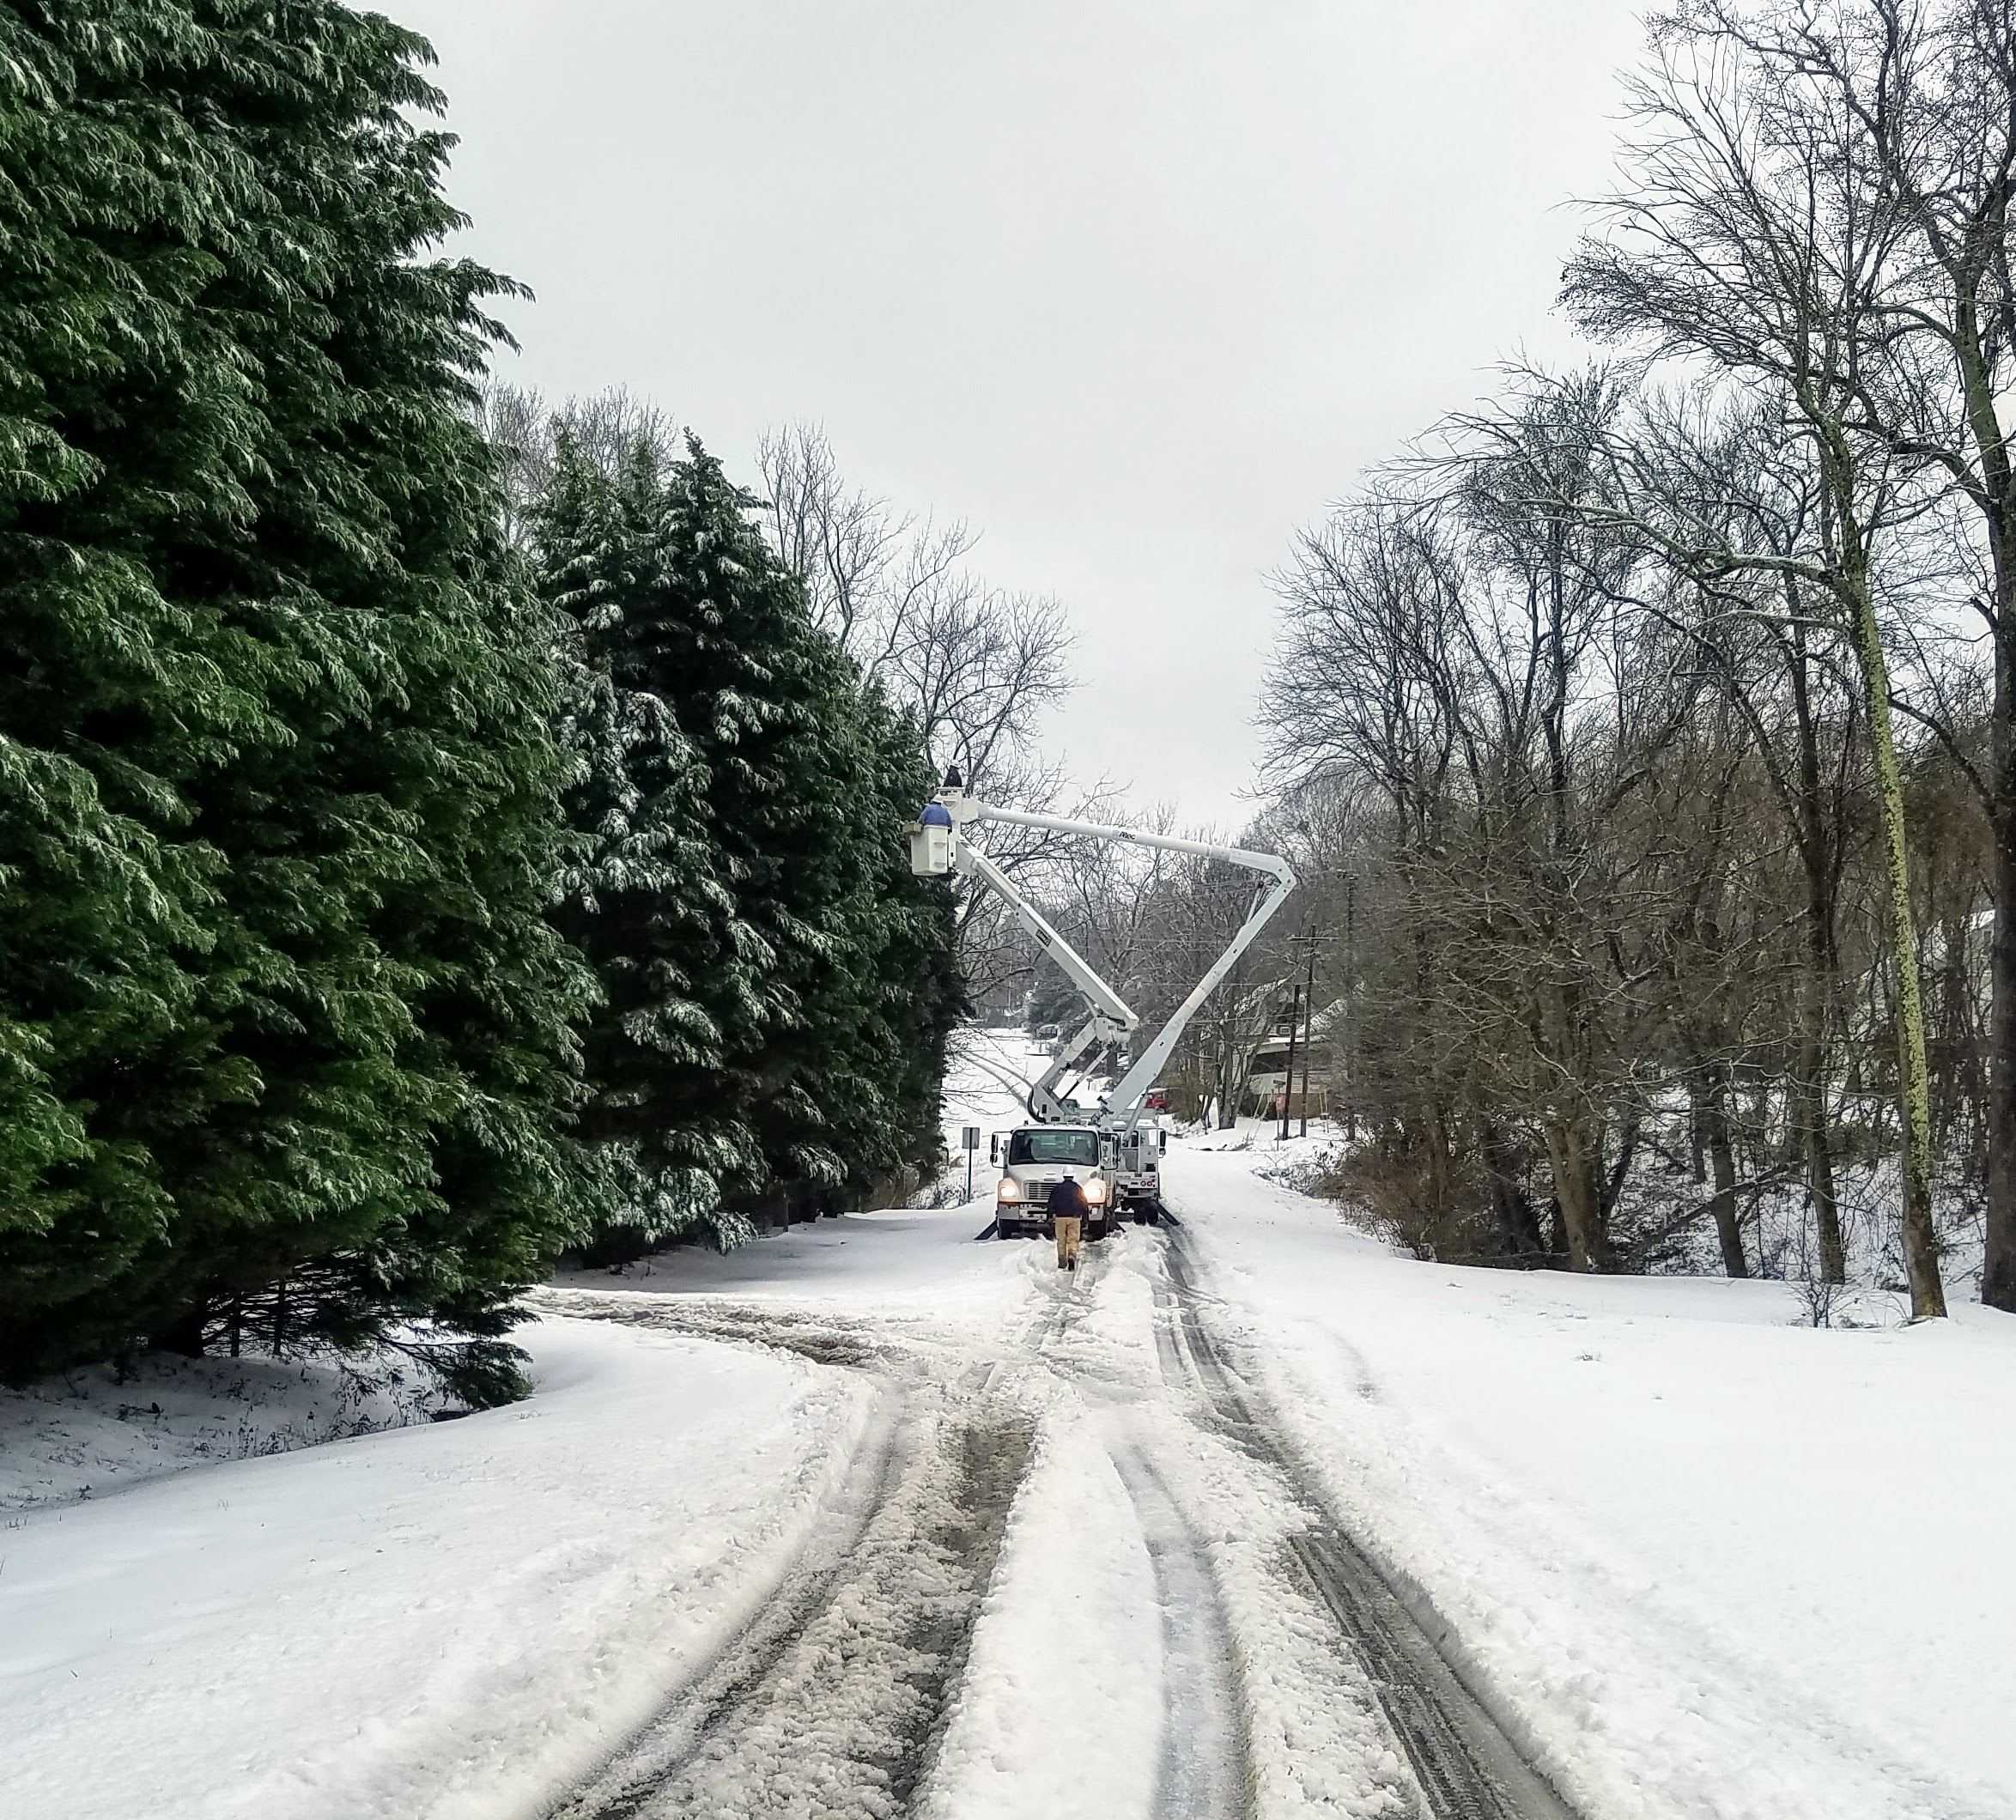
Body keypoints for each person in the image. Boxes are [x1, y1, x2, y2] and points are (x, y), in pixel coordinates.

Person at [1050, 1171, 1087, 1272]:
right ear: (1073, 1176)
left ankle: (1062, 1261)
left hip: (1060, 1217)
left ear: (1063, 1176)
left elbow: (1051, 1203)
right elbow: (1084, 1204)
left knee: (1061, 1239)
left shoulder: (1057, 1189)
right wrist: (1085, 1219)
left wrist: (1049, 1217)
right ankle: (1072, 1255)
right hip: (1074, 1218)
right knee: (1073, 1239)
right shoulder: (1078, 1188)